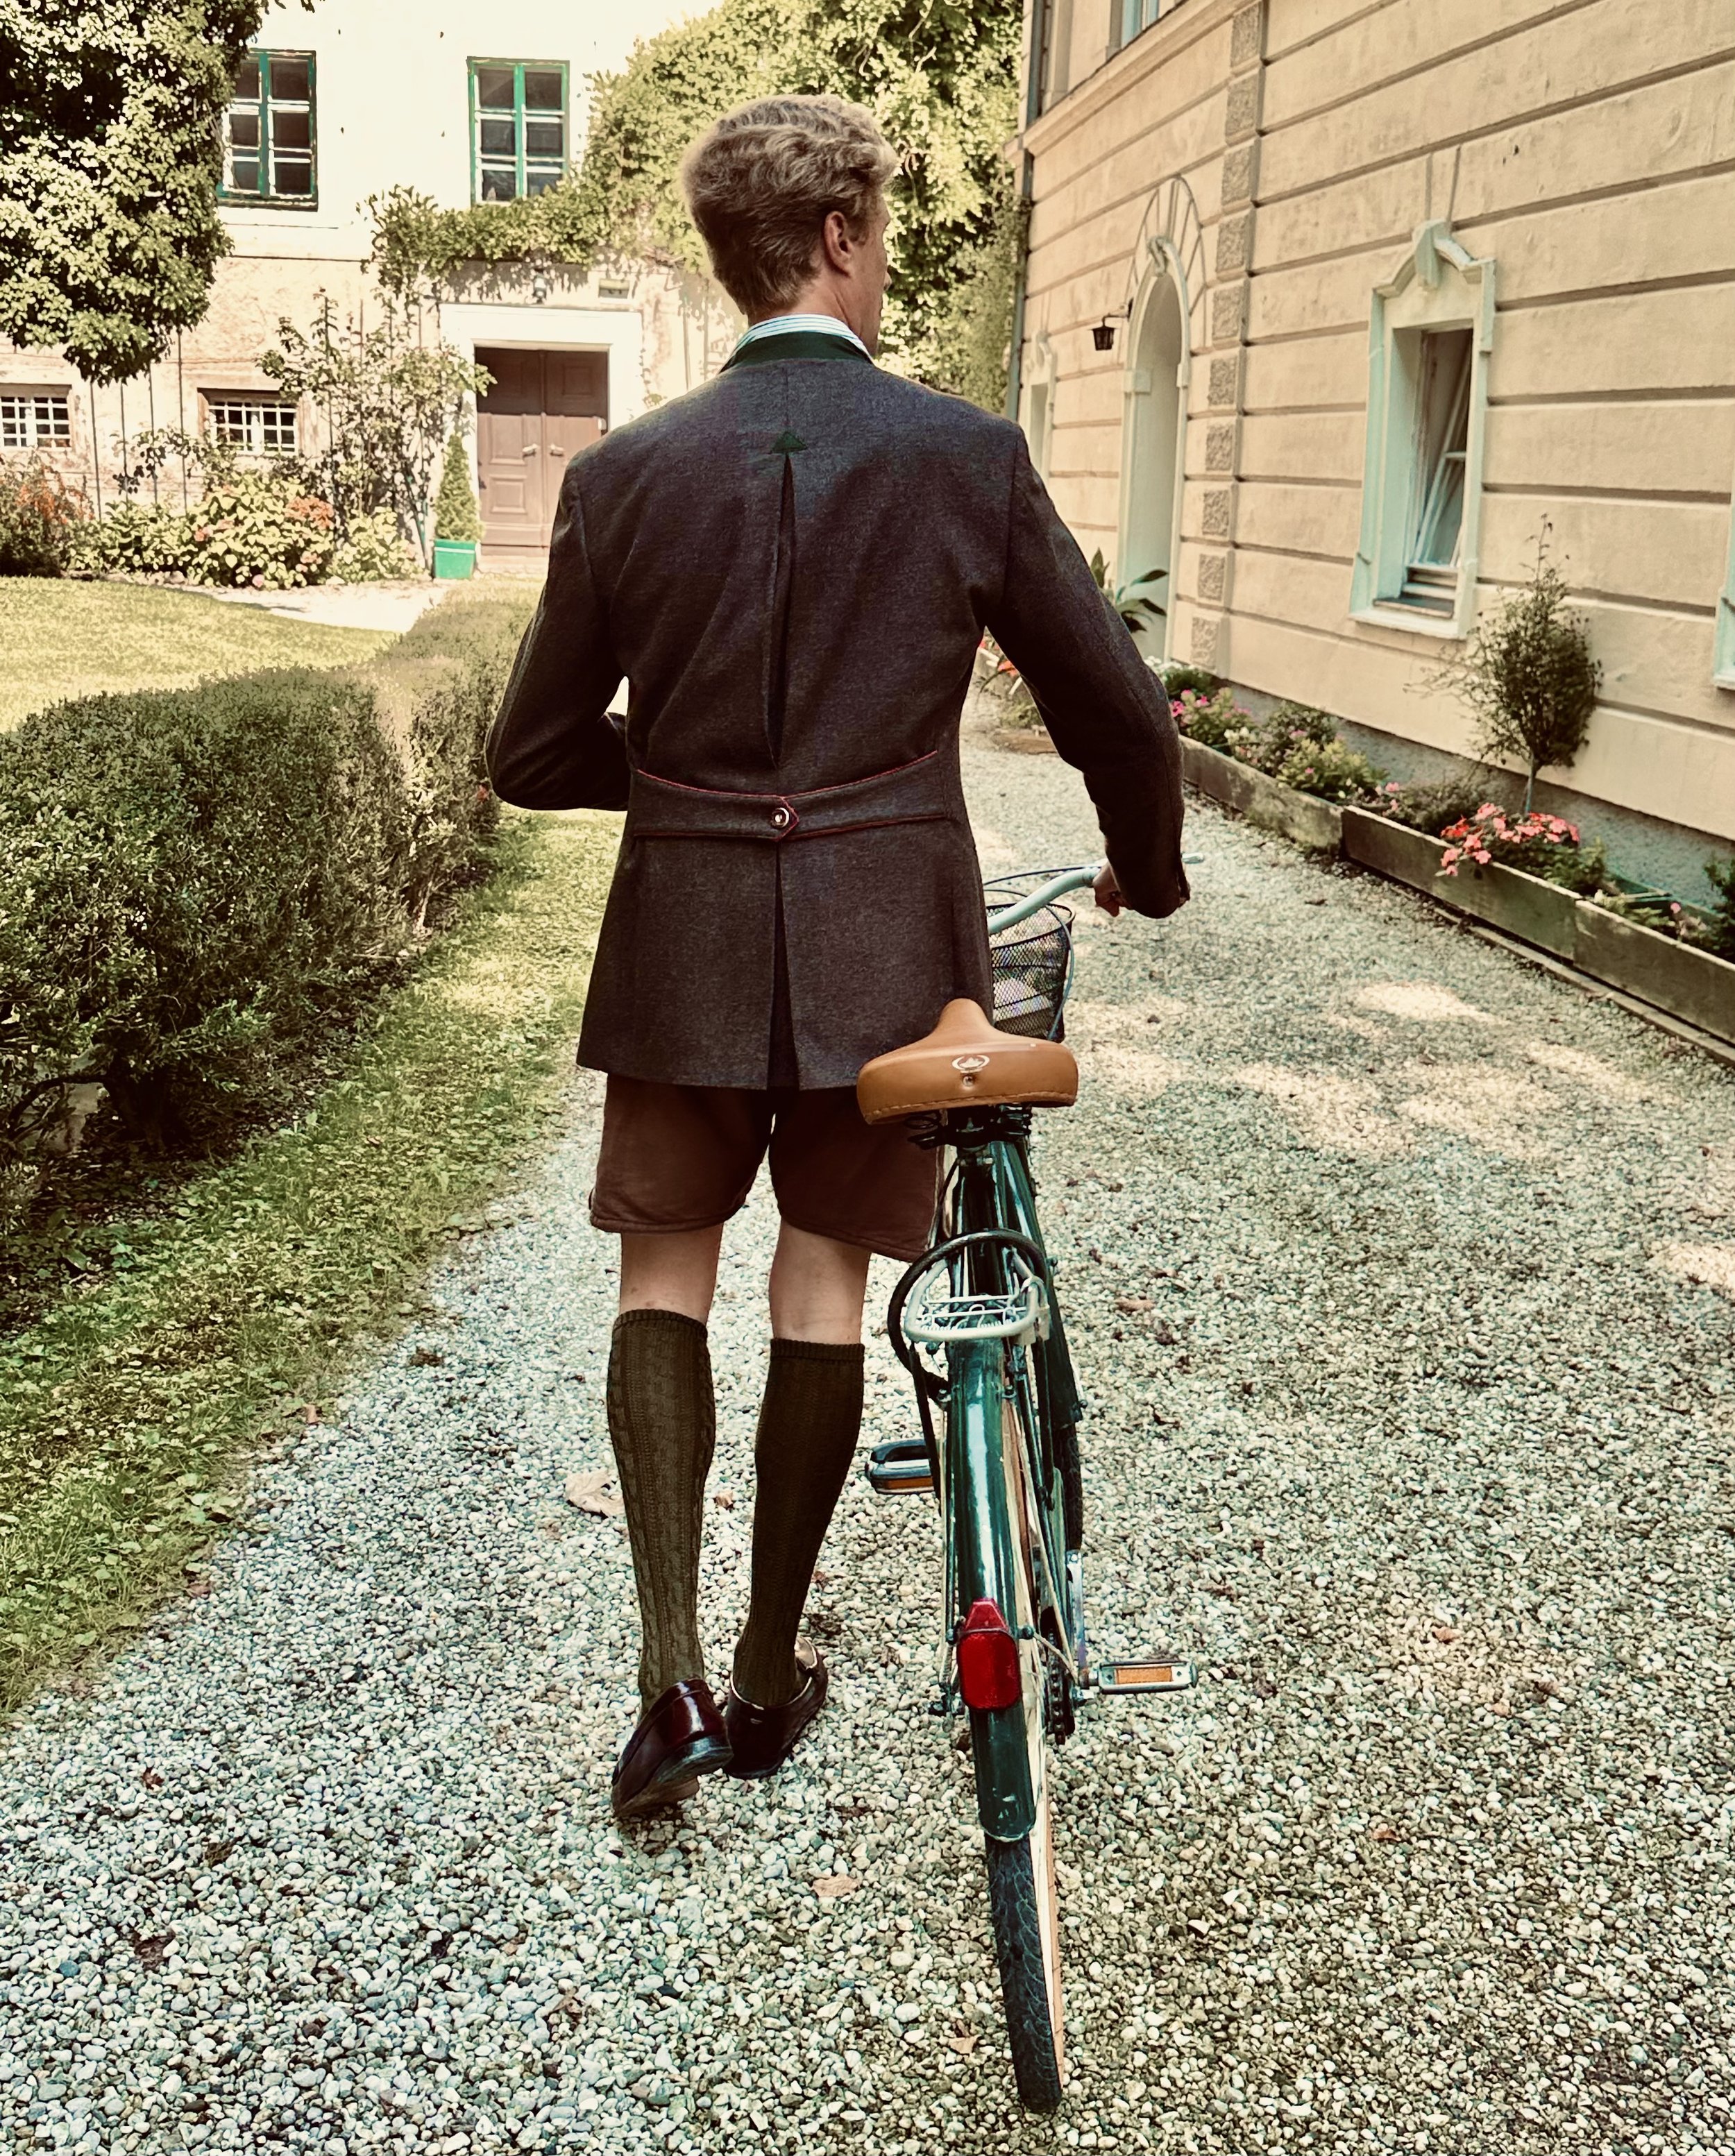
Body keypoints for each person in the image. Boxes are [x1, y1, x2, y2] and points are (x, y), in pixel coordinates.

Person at [485, 94, 1190, 1824]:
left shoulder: (620, 472)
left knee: (663, 1269)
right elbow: (1115, 704)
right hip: (889, 945)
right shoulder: (961, 454)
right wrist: (1143, 869)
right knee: (817, 1278)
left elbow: (528, 751)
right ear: (845, 237)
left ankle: (663, 1682)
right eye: (877, 238)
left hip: (679, 937)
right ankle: (766, 1660)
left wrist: (685, 787)